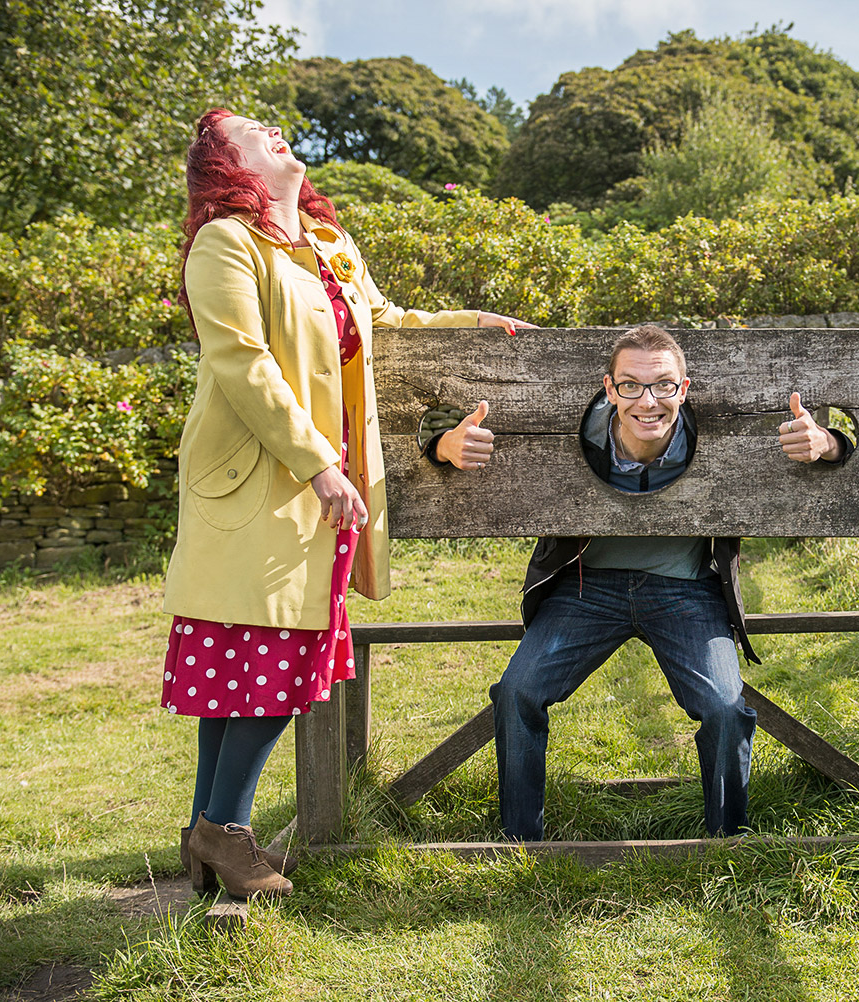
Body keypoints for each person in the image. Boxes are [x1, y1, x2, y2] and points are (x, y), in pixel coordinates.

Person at [162, 108, 530, 898]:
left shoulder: (329, 246)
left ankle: (207, 837)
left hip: (316, 487)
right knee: (261, 660)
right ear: (228, 168)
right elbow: (241, 361)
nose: (273, 129)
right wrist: (320, 462)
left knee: (254, 660)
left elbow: (387, 322)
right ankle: (226, 834)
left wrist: (473, 324)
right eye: (250, 131)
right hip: (260, 482)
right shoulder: (225, 243)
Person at [477, 324, 850, 841]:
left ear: (685, 389)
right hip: (586, 588)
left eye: (664, 386)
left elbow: (841, 448)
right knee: (517, 691)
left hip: (686, 590)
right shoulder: (582, 432)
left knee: (724, 706)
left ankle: (728, 841)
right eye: (630, 385)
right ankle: (520, 840)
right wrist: (441, 443)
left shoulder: (709, 432)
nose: (647, 401)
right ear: (609, 390)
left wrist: (829, 442)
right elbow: (456, 441)